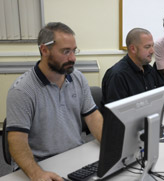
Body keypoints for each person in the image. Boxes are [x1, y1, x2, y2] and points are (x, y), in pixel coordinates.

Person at [6, 22, 103, 181]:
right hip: (40, 164)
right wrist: (37, 173)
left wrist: (111, 146)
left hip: (75, 156)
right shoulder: (22, 90)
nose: (72, 58)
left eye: (74, 51)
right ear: (44, 50)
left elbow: (93, 117)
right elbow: (16, 140)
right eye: (66, 51)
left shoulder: (77, 78)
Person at [102, 28, 164, 116]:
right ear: (133, 49)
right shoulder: (117, 75)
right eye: (147, 47)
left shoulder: (149, 70)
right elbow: (116, 115)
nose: (152, 51)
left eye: (152, 46)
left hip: (150, 123)